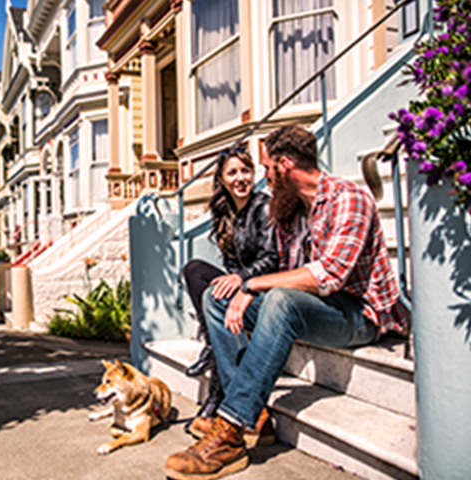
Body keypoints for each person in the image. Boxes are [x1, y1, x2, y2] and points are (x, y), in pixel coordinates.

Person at [165, 126, 410, 480]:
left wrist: (250, 284)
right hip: (313, 307)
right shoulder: (291, 210)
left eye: (265, 168)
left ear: (284, 164)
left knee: (279, 299)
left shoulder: (349, 198)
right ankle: (256, 413)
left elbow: (329, 275)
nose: (262, 176)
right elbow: (286, 270)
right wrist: (244, 290)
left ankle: (231, 428)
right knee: (216, 299)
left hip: (359, 314)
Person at [182, 147, 278, 438]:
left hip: (263, 285)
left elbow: (272, 258)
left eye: (245, 171)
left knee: (215, 295)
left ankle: (218, 400)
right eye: (233, 172)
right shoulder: (224, 212)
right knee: (194, 270)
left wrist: (242, 279)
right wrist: (234, 280)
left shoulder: (264, 206)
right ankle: (214, 344)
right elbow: (230, 263)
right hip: (240, 281)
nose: (241, 178)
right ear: (222, 179)